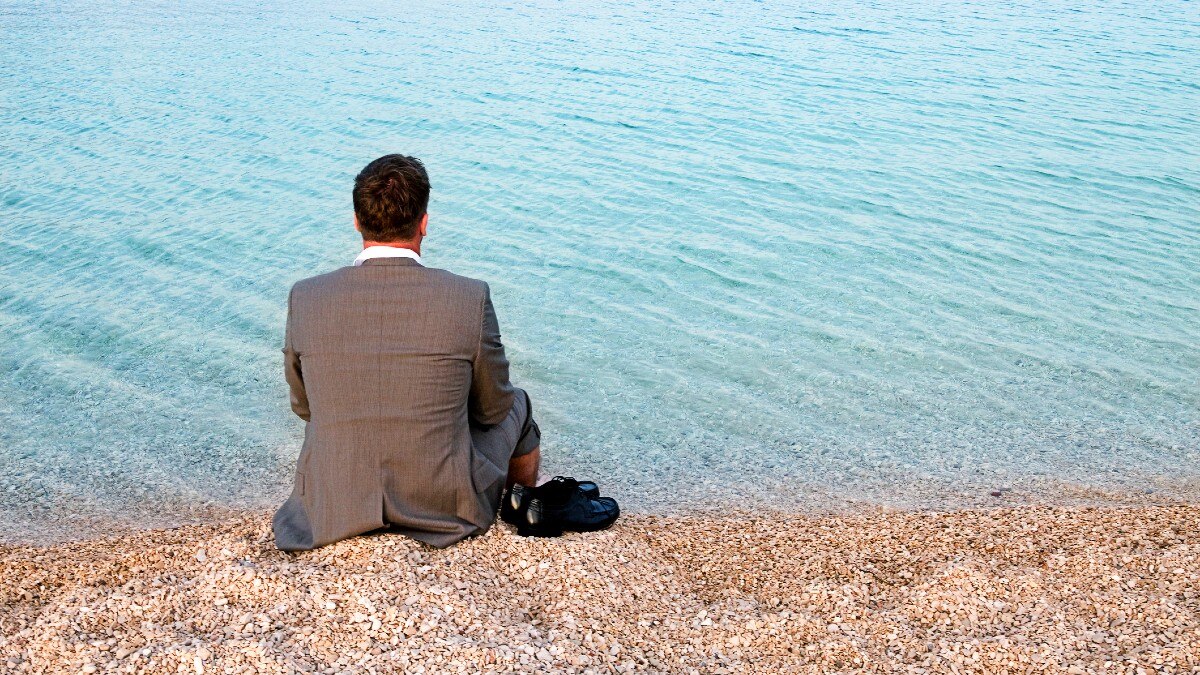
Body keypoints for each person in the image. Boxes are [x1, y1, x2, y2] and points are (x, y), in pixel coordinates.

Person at [272, 154, 617, 551]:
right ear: (424, 223)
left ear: (356, 221)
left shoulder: (307, 296)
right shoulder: (467, 297)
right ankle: (522, 503)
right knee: (518, 403)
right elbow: (493, 409)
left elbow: (305, 407)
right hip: (442, 507)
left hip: (332, 503)